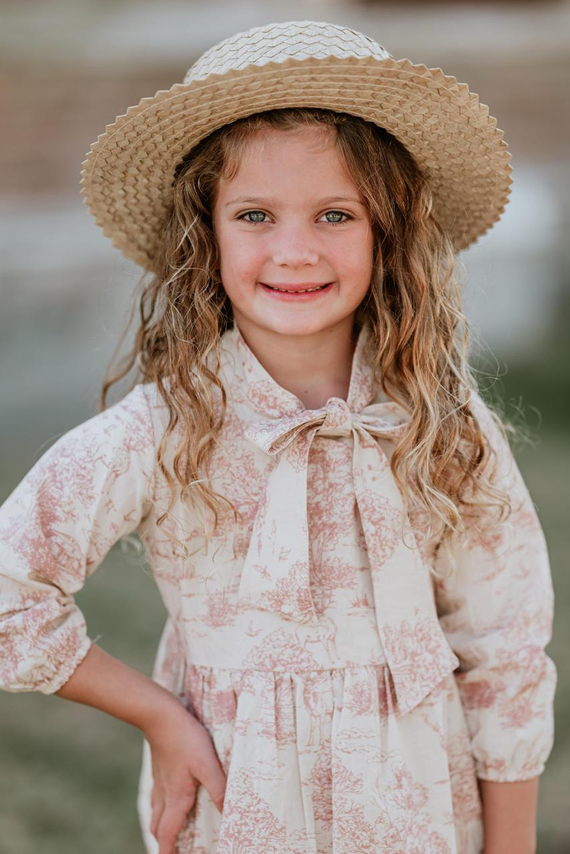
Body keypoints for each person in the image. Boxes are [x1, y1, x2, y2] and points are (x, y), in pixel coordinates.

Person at [0, 20, 556, 854]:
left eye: (335, 214)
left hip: (419, 818)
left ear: (388, 232)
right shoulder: (164, 428)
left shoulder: (442, 424)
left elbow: (505, 654)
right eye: (255, 214)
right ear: (206, 233)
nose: (294, 251)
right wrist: (158, 714)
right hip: (239, 811)